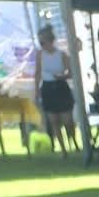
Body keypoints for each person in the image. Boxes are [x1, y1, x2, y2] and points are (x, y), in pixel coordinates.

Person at [33, 23, 76, 156]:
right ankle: (63, 149)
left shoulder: (61, 54)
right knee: (54, 120)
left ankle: (73, 140)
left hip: (60, 87)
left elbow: (71, 73)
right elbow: (38, 73)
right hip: (47, 87)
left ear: (50, 41)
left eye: (43, 42)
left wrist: (62, 76)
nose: (42, 45)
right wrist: (36, 90)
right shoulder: (40, 55)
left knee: (67, 119)